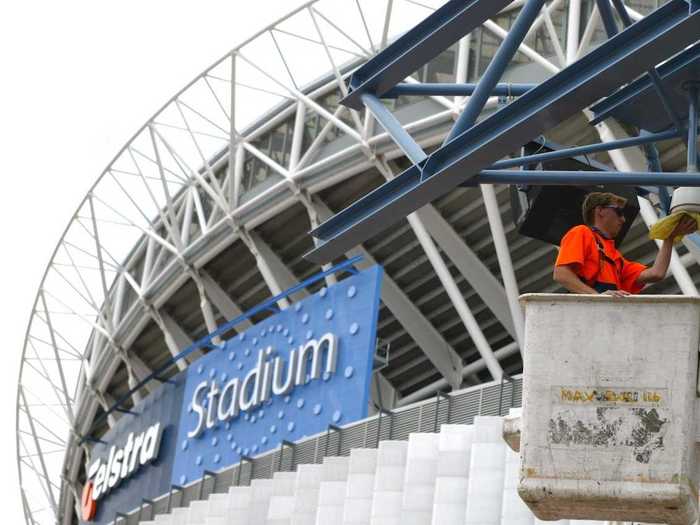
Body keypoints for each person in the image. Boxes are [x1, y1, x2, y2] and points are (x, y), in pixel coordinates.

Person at [553, 192, 696, 296]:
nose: (623, 219)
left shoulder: (616, 258)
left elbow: (656, 274)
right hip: (587, 311)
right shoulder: (581, 232)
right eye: (618, 212)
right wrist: (597, 297)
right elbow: (561, 274)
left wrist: (669, 238)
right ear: (600, 211)